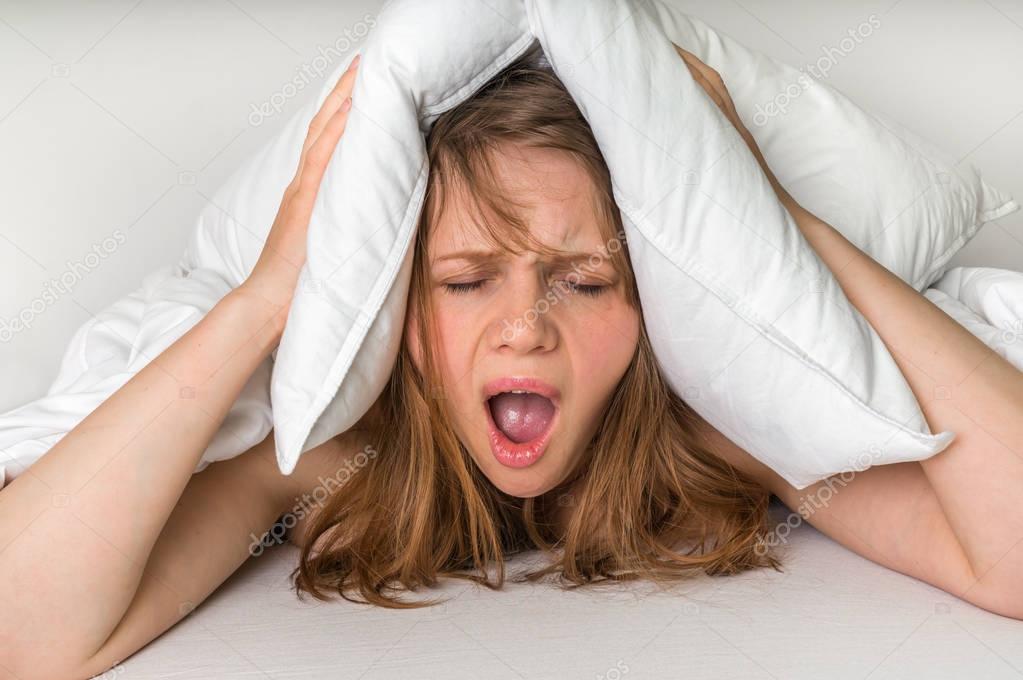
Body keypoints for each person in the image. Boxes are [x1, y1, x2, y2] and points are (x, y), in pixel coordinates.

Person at [2, 42, 1021, 680]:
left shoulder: (717, 431)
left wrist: (774, 230)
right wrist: (269, 295)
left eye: (582, 280)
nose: (525, 327)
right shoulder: (333, 451)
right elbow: (19, 629)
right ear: (401, 314)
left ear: (656, 305)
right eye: (463, 280)